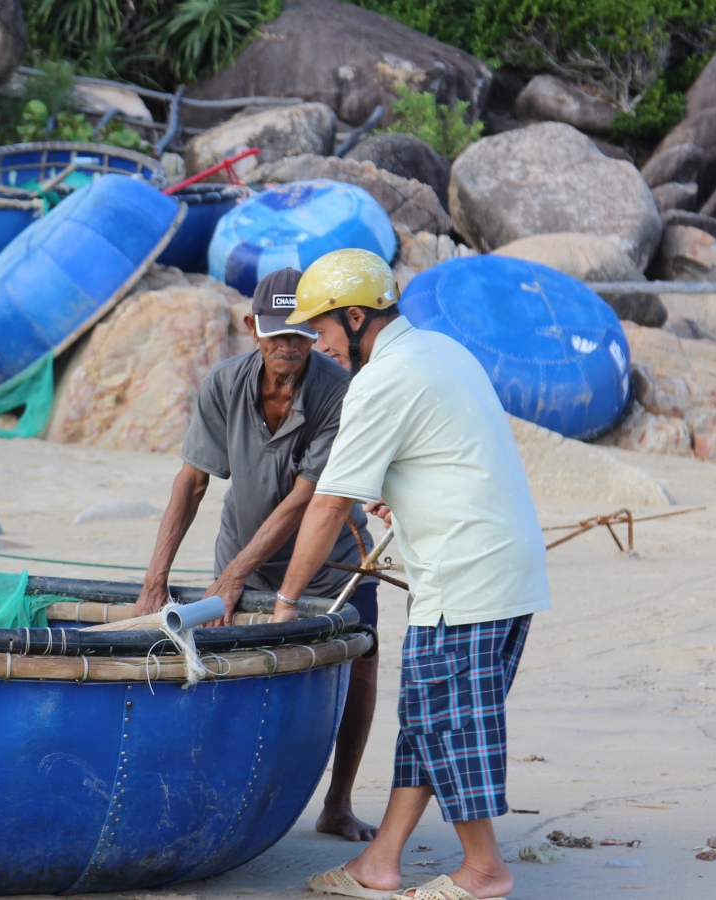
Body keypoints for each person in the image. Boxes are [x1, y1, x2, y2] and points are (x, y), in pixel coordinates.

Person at [271, 249, 551, 900]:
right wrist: (404, 495)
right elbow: (452, 457)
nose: (319, 345)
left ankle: (483, 869)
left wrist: (287, 600)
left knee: (450, 719)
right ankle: (381, 862)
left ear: (357, 315)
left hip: (465, 575)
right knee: (426, 717)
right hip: (503, 566)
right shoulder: (440, 351)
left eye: (324, 328)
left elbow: (329, 503)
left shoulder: (383, 377)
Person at [137, 267, 384, 842]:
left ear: (315, 332)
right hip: (239, 554)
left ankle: (338, 804)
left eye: (299, 333)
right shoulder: (222, 386)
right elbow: (191, 483)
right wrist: (157, 581)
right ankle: (222, 798)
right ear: (252, 328)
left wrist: (232, 577)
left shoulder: (338, 392)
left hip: (332, 561)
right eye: (276, 333)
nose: (288, 346)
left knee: (363, 663)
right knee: (228, 668)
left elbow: (307, 500)